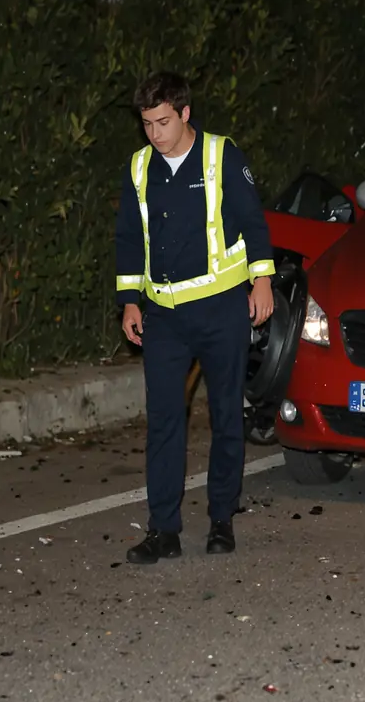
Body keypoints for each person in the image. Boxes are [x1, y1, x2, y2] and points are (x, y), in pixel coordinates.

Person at [114, 71, 276, 564]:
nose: (155, 134)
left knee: (226, 414)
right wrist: (129, 301)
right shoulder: (140, 168)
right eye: (146, 124)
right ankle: (163, 529)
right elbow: (127, 236)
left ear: (184, 114)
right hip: (164, 316)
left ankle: (222, 518)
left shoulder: (220, 154)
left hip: (221, 307)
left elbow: (251, 221)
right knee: (164, 421)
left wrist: (262, 279)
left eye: (163, 122)